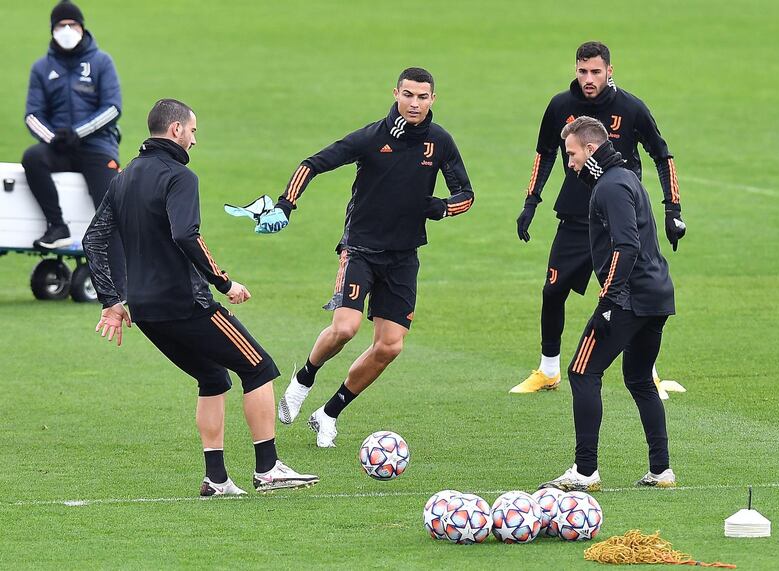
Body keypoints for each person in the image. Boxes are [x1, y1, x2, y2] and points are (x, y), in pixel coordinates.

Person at [82, 99, 318, 496]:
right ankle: (268, 468)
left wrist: (111, 300)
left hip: (145, 311)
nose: (195, 140)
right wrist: (224, 283)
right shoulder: (179, 177)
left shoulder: (123, 178)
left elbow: (93, 239)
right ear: (175, 130)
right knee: (259, 368)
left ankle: (217, 478)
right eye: (193, 131)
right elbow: (185, 234)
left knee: (211, 377)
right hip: (186, 303)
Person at [268, 67, 474, 448]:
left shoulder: (439, 142)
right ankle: (304, 379)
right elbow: (312, 164)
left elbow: (466, 194)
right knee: (345, 328)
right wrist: (286, 203)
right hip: (360, 248)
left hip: (403, 255)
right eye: (408, 95)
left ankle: (328, 413)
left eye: (423, 97)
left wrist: (443, 207)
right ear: (395, 93)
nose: (415, 103)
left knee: (390, 345)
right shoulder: (372, 136)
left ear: (433, 99)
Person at [510, 41, 686, 395]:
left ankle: (649, 373)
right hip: (575, 218)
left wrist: (673, 209)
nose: (589, 79)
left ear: (610, 70)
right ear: (575, 70)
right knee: (552, 290)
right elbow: (544, 154)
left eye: (595, 72)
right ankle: (548, 371)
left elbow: (661, 155)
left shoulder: (630, 107)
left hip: (620, 221)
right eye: (582, 71)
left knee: (634, 295)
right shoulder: (561, 106)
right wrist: (531, 202)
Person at [539, 116, 676, 491]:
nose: (570, 163)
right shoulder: (626, 177)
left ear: (589, 148)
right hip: (657, 295)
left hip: (629, 299)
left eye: (571, 154)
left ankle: (585, 472)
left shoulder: (611, 186)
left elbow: (626, 246)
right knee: (639, 379)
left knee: (582, 372)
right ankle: (661, 471)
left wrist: (609, 300)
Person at [23, 2, 121, 251]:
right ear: (53, 30)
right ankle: (57, 227)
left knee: (110, 206)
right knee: (32, 158)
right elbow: (32, 114)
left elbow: (112, 108)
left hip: (97, 147)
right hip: (58, 147)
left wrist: (78, 132)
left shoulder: (101, 62)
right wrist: (53, 138)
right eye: (61, 25)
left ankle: (119, 269)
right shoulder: (41, 68)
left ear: (82, 27)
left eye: (72, 24)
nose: (67, 30)